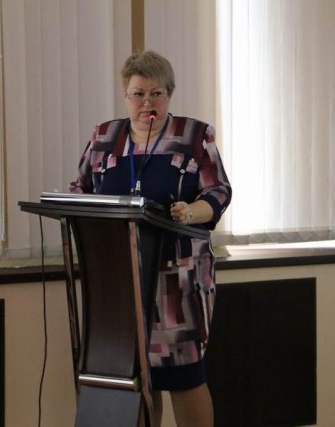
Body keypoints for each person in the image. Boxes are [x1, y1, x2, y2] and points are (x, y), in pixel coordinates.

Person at [69, 50, 231, 427]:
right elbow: (80, 189)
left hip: (178, 278)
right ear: (125, 95)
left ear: (169, 94)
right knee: (137, 380)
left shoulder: (194, 136)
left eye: (156, 93)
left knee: (184, 375)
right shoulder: (105, 138)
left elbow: (218, 191)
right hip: (119, 282)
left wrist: (191, 211)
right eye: (138, 94)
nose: (147, 103)